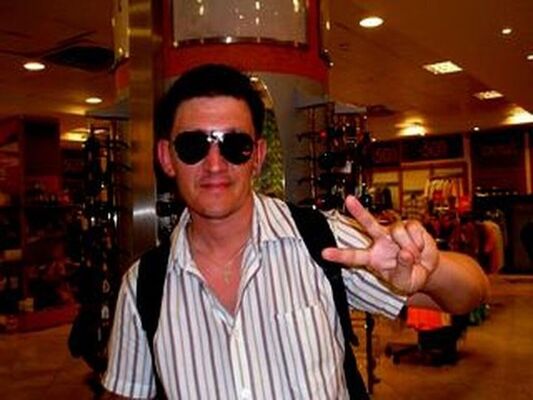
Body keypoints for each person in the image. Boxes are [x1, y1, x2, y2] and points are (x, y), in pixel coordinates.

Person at [102, 64, 489, 399]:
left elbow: (472, 291)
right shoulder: (142, 287)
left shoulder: (320, 241)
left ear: (258, 156)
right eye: (193, 145)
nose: (215, 164)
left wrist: (430, 270)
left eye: (235, 145)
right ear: (166, 157)